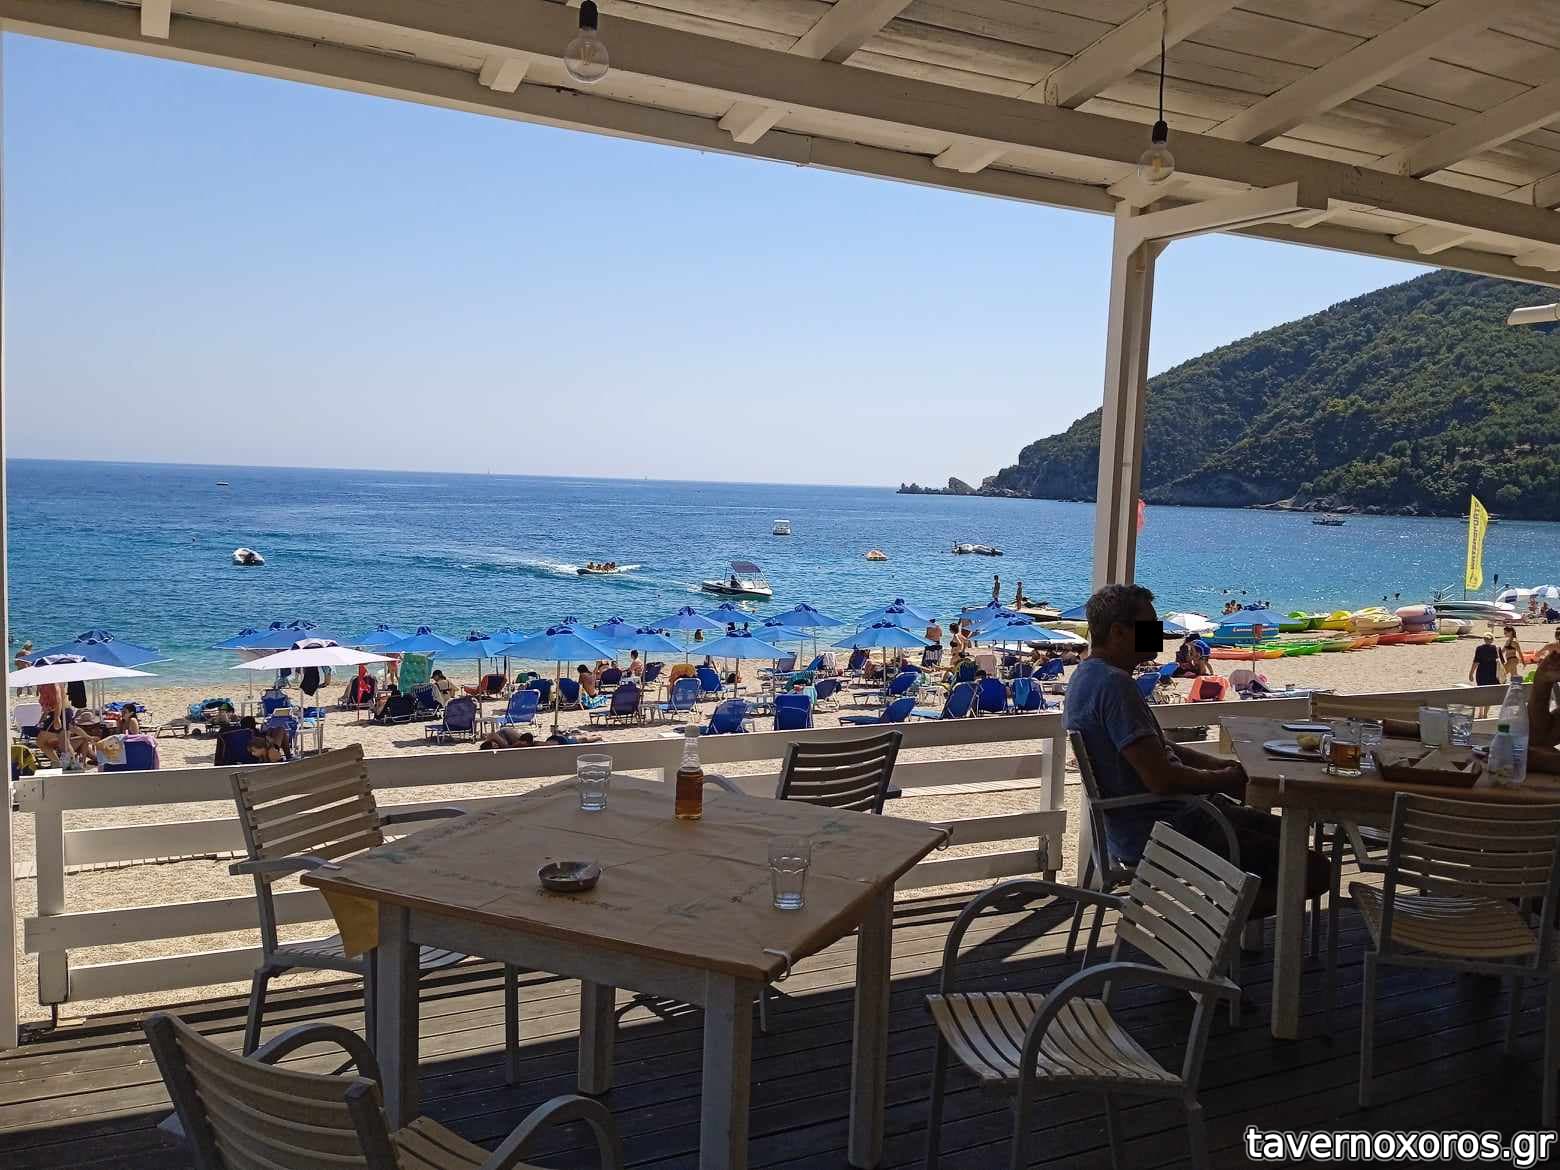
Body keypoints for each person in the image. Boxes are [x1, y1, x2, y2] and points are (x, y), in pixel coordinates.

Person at [1064, 583, 1330, 902]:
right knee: (1314, 869)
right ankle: (1220, 924)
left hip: (1138, 826)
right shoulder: (1115, 687)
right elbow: (1162, 779)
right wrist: (1225, 780)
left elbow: (1157, 749)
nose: (1159, 634)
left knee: (1286, 834)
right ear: (1118, 632)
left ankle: (1226, 916)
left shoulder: (1086, 677)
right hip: (1165, 831)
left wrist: (1218, 767)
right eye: (1150, 626)